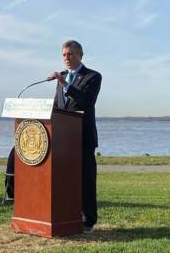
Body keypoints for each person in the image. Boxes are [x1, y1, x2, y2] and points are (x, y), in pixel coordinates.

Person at [48, 40, 102, 233]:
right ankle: (67, 215)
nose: (66, 58)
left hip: (83, 137)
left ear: (80, 55)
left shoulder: (93, 76)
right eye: (64, 55)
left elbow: (86, 101)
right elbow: (57, 107)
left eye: (70, 54)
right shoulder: (62, 77)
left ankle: (88, 220)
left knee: (85, 180)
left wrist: (65, 84)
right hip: (63, 140)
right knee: (64, 179)